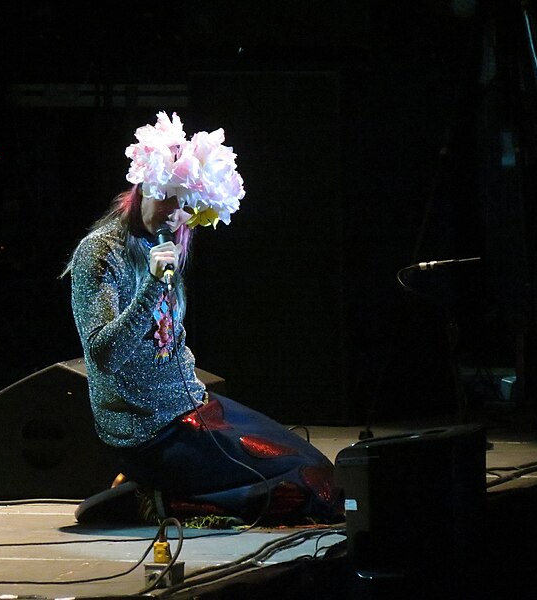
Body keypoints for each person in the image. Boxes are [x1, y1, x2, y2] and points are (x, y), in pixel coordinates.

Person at [65, 112, 343, 525]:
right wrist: (154, 287)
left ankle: (169, 487)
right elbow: (105, 356)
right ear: (145, 186)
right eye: (169, 199)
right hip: (148, 432)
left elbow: (166, 338)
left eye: (187, 209)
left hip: (190, 406)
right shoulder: (100, 252)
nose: (176, 216)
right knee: (302, 487)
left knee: (319, 469)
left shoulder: (168, 241)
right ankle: (159, 499)